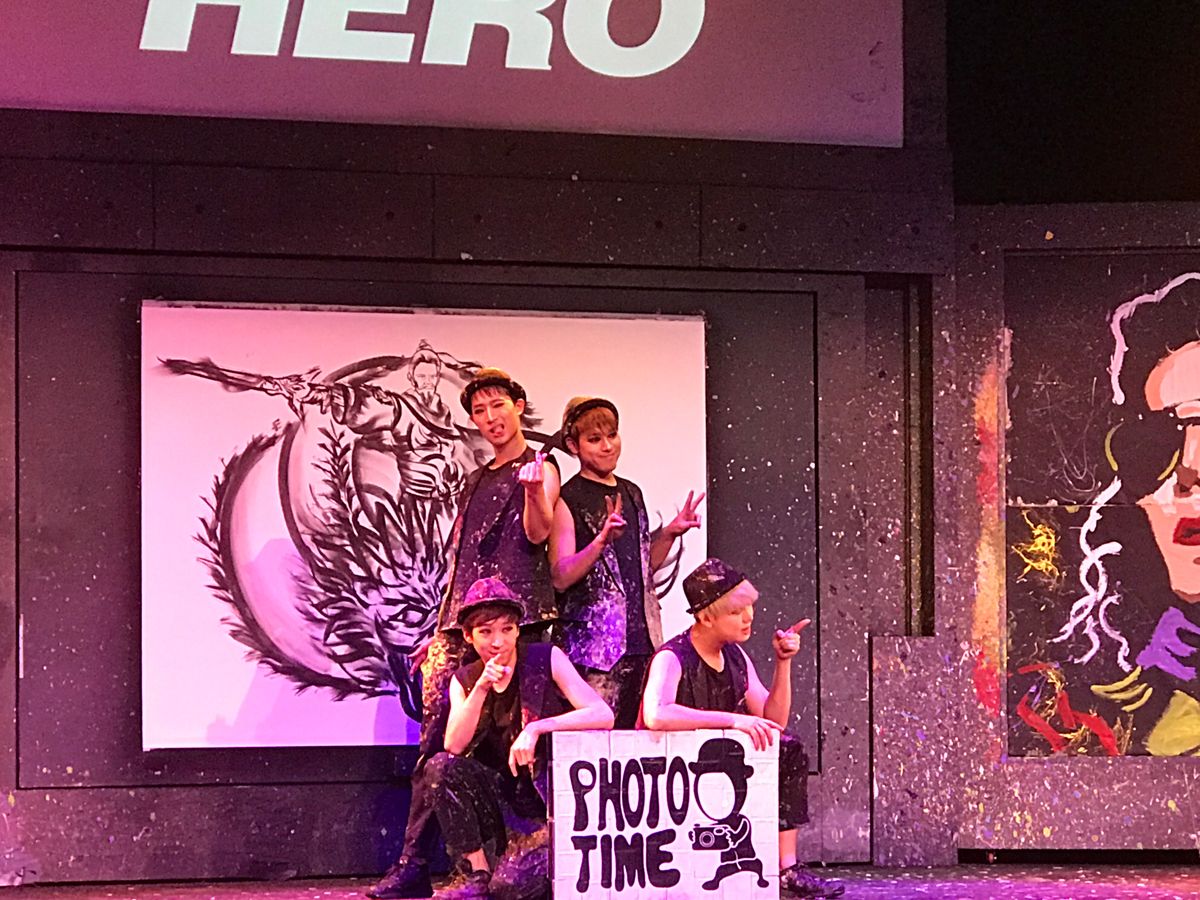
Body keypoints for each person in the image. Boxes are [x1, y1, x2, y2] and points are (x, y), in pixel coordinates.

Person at [370, 367, 561, 899]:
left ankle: (524, 860)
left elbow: (538, 533)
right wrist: (440, 631)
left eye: (498, 405)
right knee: (437, 747)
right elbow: (461, 564)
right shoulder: (475, 480)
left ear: (518, 405)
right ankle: (415, 864)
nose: (490, 418)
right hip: (462, 626)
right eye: (479, 411)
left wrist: (532, 492)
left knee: (516, 744)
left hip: (520, 622)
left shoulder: (540, 466)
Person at [639, 558, 843, 899]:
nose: (749, 617)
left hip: (718, 766)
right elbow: (656, 715)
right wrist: (732, 720)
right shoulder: (672, 657)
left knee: (788, 747)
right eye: (736, 611)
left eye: (749, 607)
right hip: (673, 773)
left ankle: (787, 869)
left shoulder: (735, 656)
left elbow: (774, 721)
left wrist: (783, 664)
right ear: (706, 617)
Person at [425, 577, 614, 899]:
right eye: (486, 632)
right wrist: (481, 688)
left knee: (510, 889)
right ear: (469, 636)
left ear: (517, 630)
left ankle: (523, 868)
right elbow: (453, 745)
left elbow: (602, 714)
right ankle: (477, 874)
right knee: (441, 768)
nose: (498, 641)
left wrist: (536, 728)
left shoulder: (545, 658)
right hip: (500, 797)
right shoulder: (465, 679)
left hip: (544, 800)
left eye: (507, 630)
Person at [549, 396, 704, 727]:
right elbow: (560, 577)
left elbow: (644, 570)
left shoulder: (631, 492)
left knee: (641, 745)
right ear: (574, 446)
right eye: (594, 439)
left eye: (612, 435)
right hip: (592, 652)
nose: (607, 446)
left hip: (643, 643)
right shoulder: (567, 498)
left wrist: (670, 533)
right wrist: (600, 541)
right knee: (596, 743)